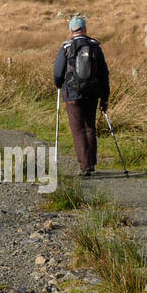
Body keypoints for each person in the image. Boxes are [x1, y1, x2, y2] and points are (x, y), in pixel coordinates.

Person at [53, 15, 109, 176]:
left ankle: (84, 167)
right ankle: (91, 164)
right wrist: (105, 97)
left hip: (72, 94)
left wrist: (59, 85)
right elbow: (104, 74)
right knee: (90, 128)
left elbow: (57, 72)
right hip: (92, 93)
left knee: (78, 130)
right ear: (85, 29)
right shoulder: (95, 47)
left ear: (71, 31)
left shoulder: (66, 47)